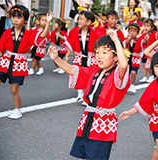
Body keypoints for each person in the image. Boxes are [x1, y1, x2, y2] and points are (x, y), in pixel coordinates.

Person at [47, 30, 130, 160]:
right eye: (97, 52)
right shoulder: (94, 70)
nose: (99, 56)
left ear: (116, 57)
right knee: (85, 155)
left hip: (103, 122)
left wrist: (115, 41)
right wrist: (56, 58)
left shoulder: (118, 75)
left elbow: (124, 65)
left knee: (96, 156)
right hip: (88, 118)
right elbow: (72, 70)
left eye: (104, 53)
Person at [0, 5, 53, 119]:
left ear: (26, 20)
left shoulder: (28, 33)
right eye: (13, 17)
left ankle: (17, 110)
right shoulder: (7, 32)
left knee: (14, 89)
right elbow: (0, 48)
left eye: (19, 17)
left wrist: (47, 23)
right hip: (6, 61)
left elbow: (42, 35)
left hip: (19, 62)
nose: (15, 19)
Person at [68, 11, 102, 101]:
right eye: (78, 19)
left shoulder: (94, 33)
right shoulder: (75, 32)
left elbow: (100, 44)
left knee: (90, 76)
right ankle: (80, 92)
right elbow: (71, 45)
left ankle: (87, 95)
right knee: (76, 73)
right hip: (79, 56)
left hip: (90, 57)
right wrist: (67, 54)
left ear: (88, 22)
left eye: (81, 19)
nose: (79, 21)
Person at [139, 19, 158, 83]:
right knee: (144, 65)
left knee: (149, 65)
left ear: (152, 27)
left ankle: (151, 76)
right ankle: (144, 76)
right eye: (145, 26)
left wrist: (157, 26)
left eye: (148, 26)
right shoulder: (144, 34)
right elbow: (140, 39)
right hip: (144, 51)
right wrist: (142, 31)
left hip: (151, 51)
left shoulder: (154, 34)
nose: (146, 28)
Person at [123, 23, 143, 93]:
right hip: (127, 58)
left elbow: (145, 43)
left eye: (134, 31)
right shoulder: (126, 40)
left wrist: (146, 40)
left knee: (133, 72)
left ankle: (132, 85)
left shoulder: (140, 40)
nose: (132, 33)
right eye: (130, 31)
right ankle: (126, 85)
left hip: (135, 58)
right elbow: (123, 46)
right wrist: (128, 40)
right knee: (126, 73)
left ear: (137, 33)